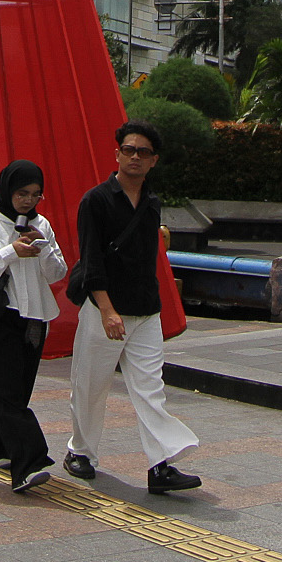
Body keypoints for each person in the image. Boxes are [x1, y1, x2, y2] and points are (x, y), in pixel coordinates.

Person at [63, 120, 202, 495]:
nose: (134, 157)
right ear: (117, 154)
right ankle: (81, 452)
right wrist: (107, 311)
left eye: (143, 152)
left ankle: (160, 466)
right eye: (129, 150)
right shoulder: (95, 201)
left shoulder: (152, 203)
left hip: (145, 311)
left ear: (154, 160)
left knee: (149, 389)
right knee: (90, 385)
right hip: (103, 309)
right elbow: (92, 261)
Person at [0, 160, 68, 493]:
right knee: (9, 395)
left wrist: (43, 246)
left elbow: (58, 273)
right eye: (22, 193)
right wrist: (10, 252)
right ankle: (29, 463)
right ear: (8, 189)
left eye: (36, 194)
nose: (28, 201)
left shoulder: (42, 225)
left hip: (34, 319)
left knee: (15, 391)